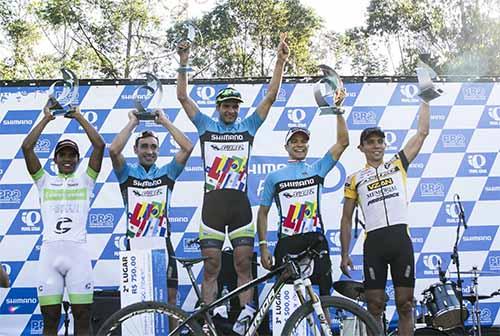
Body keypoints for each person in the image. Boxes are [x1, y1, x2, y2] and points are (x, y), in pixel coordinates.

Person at [176, 33, 289, 326]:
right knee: (211, 268)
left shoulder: (248, 127)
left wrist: (280, 60)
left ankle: (245, 320)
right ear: (218, 107)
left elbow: (271, 96)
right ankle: (210, 320)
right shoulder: (205, 126)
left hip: (240, 206)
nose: (231, 110)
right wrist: (184, 62)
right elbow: (183, 97)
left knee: (243, 266)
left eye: (235, 106)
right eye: (226, 105)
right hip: (212, 206)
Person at [340, 101, 431, 335]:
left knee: (406, 304)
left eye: (380, 141)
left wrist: (425, 101)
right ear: (361, 148)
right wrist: (344, 253)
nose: (376, 146)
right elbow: (346, 219)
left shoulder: (398, 164)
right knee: (374, 306)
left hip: (401, 241)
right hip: (375, 245)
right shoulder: (354, 178)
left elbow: (422, 133)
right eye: (370, 142)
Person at [21, 101, 105, 336]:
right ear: (55, 160)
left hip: (77, 255)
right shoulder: (44, 181)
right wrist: (47, 118)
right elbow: (27, 148)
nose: (67, 158)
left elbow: (99, 146)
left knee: (82, 317)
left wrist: (78, 116)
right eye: (62, 155)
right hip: (50, 256)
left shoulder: (86, 180)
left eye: (72, 155)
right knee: (50, 319)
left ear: (78, 160)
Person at [257, 89, 349, 296]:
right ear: (286, 146)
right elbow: (262, 213)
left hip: (315, 240)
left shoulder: (318, 169)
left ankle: (324, 329)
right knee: (287, 300)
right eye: (295, 141)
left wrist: (338, 111)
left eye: (303, 141)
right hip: (288, 242)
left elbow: (343, 142)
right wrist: (263, 247)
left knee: (324, 296)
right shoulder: (274, 177)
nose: (299, 145)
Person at [109, 108, 193, 309]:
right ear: (135, 150)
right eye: (144, 146)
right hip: (135, 244)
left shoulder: (167, 173)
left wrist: (164, 121)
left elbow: (187, 147)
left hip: (163, 244)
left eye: (154, 147)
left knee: (170, 301)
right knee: (134, 304)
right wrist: (132, 122)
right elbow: (113, 150)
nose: (149, 151)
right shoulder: (126, 174)